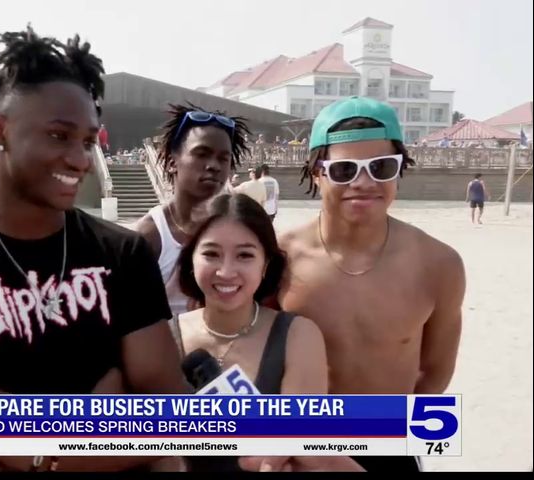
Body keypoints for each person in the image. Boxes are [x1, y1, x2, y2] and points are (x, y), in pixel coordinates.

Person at [0, 26, 189, 472]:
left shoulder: (123, 256)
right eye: (59, 136)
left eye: (87, 140)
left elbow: (172, 420)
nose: (80, 158)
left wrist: (33, 452)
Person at [272, 96, 465, 472]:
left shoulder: (438, 264)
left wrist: (395, 434)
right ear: (316, 172)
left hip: (390, 443)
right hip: (300, 444)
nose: (364, 183)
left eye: (381, 167)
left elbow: (436, 370)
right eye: (344, 170)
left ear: (399, 171)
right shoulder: (278, 259)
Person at [171, 194, 327, 472]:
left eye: (244, 255)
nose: (226, 271)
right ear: (191, 259)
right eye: (211, 254)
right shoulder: (163, 339)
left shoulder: (298, 337)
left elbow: (302, 451)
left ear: (266, 263)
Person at [133, 103, 252, 318]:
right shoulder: (150, 236)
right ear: (171, 162)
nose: (213, 165)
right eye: (202, 154)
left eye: (223, 158)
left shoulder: (240, 229)